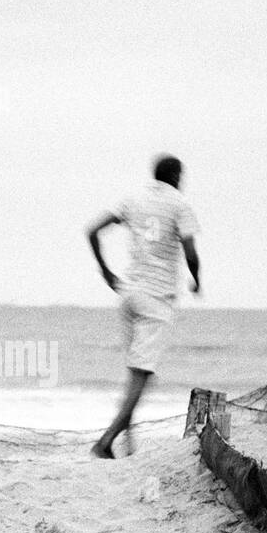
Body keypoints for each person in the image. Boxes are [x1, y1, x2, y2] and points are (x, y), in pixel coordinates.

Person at [86, 155, 201, 458]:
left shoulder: (133, 199)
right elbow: (190, 252)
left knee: (137, 377)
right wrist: (197, 280)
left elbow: (92, 230)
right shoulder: (179, 204)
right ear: (176, 175)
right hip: (156, 299)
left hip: (128, 294)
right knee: (141, 377)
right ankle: (105, 442)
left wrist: (106, 271)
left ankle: (128, 444)